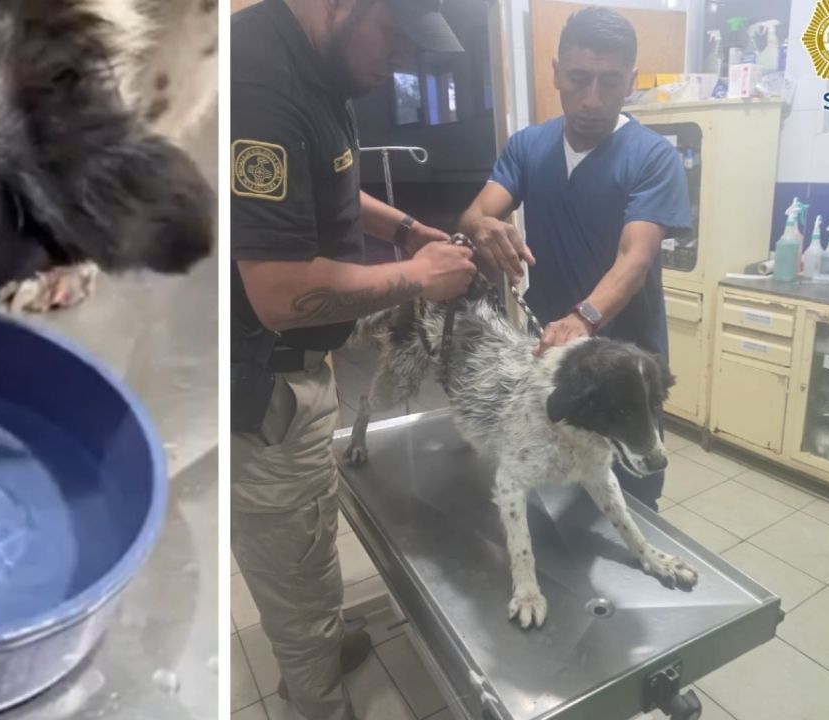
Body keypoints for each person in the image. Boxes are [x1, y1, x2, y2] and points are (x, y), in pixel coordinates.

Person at [230, 0, 472, 716]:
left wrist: (404, 228)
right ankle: (317, 697)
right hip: (262, 379)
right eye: (392, 33)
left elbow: (332, 180)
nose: (398, 57)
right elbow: (278, 293)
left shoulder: (322, 69)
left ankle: (322, 640)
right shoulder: (259, 85)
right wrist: (420, 278)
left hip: (299, 367)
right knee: (295, 562)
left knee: (310, 535)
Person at [457, 6, 691, 510]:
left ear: (630, 81)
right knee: (551, 485)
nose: (591, 99)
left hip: (629, 364)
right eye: (579, 78)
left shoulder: (652, 157)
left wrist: (584, 316)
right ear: (556, 71)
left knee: (631, 490)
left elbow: (636, 253)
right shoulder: (527, 147)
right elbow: (478, 212)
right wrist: (481, 227)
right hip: (550, 360)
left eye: (609, 82)